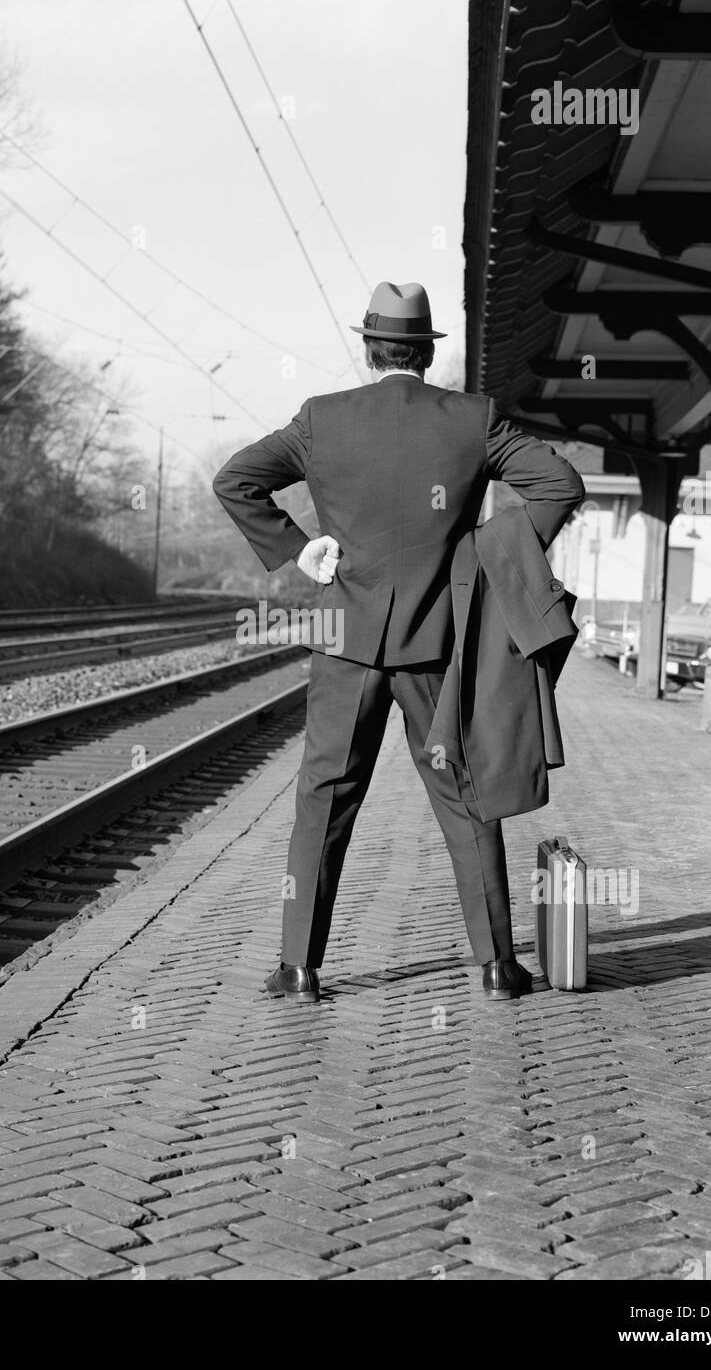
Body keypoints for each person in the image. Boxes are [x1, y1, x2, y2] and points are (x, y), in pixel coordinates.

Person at [213, 281, 585, 1003]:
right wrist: (484, 555)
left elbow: (235, 481)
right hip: (435, 644)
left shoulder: (320, 420)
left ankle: (298, 966)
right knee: (465, 796)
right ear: (425, 350)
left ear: (368, 346)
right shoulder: (471, 420)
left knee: (322, 797)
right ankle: (495, 967)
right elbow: (559, 484)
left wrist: (298, 549)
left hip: (343, 640)